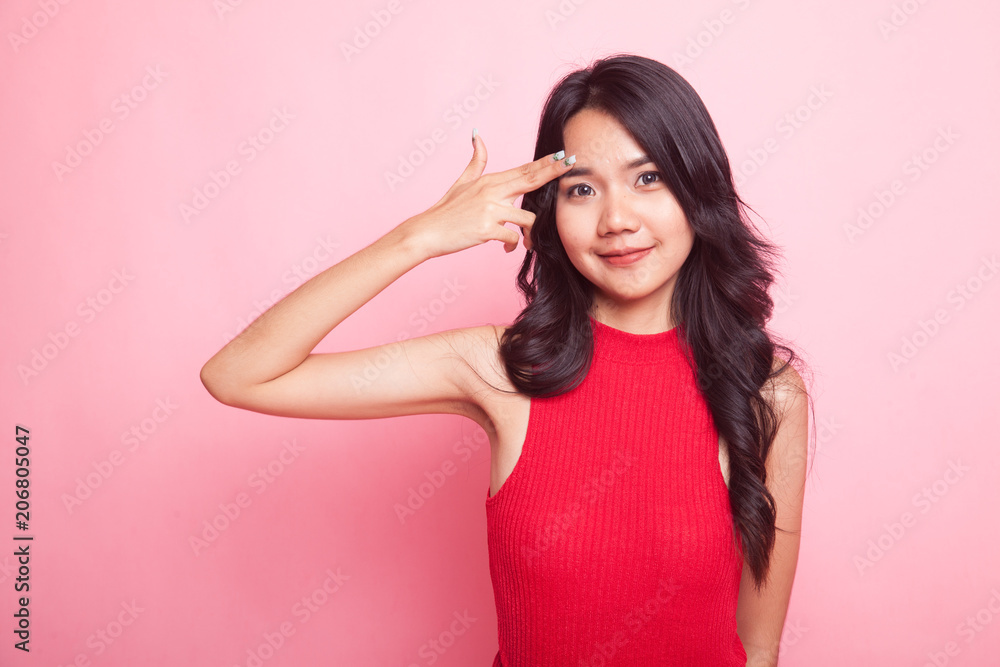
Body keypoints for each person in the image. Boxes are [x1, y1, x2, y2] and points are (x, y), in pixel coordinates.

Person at [201, 53, 812, 666]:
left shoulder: (767, 394)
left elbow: (757, 648)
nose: (617, 220)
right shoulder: (503, 369)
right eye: (581, 189)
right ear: (549, 210)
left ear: (697, 188)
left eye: (648, 178)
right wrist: (421, 237)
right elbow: (239, 374)